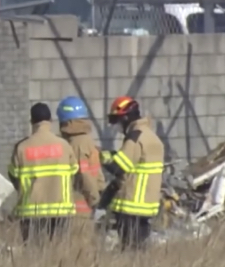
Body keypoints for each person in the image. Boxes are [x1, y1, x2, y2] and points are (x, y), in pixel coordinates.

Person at [8, 103, 79, 246]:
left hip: (31, 211)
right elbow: (74, 171)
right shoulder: (64, 145)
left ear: (32, 122)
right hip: (61, 209)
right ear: (50, 121)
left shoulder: (22, 147)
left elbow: (13, 175)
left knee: (33, 255)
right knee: (59, 253)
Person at [101, 96, 165, 251]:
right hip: (147, 206)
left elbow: (119, 167)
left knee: (130, 250)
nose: (118, 126)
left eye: (118, 121)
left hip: (131, 205)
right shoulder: (152, 137)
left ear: (126, 118)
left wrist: (102, 156)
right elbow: (135, 164)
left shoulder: (135, 137)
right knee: (139, 249)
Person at [56, 97, 106, 218]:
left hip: (81, 204)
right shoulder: (85, 139)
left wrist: (95, 202)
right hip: (87, 200)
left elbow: (85, 174)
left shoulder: (77, 143)